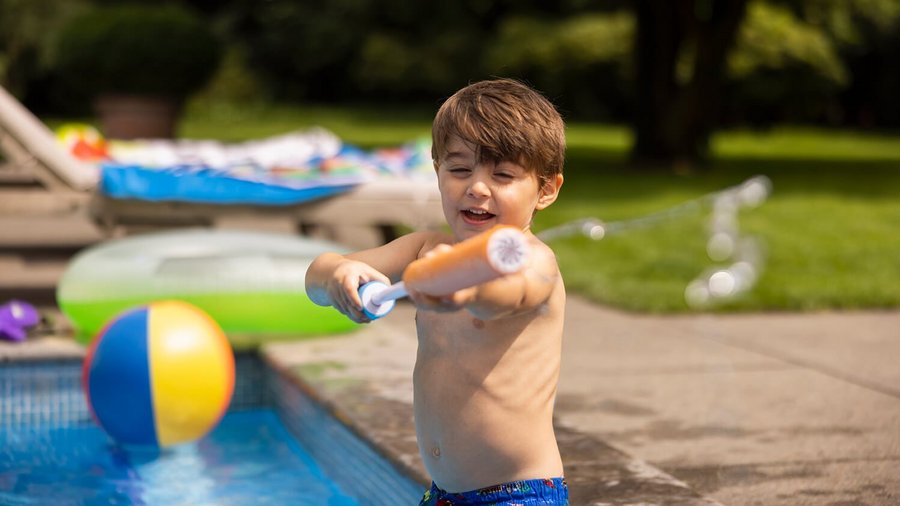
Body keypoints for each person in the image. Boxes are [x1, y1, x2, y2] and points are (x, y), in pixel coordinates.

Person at [305, 78, 568, 505]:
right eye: (460, 169)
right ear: (438, 170)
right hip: (445, 494)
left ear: (546, 190)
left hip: (518, 495)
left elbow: (510, 294)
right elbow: (316, 274)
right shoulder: (426, 247)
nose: (477, 187)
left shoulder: (533, 260)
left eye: (502, 175)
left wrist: (462, 292)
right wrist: (339, 273)